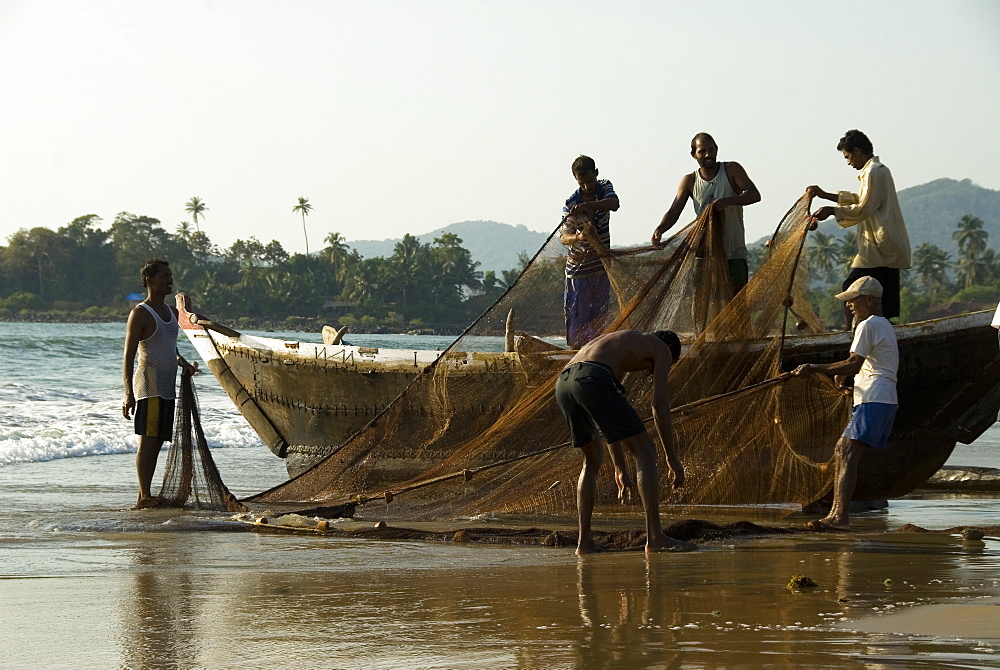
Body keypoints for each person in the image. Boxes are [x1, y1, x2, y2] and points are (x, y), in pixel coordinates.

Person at [554, 329, 692, 554]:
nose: (650, 372)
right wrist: (672, 458)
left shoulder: (620, 347)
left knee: (591, 460)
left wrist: (619, 468)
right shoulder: (663, 349)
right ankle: (655, 537)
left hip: (564, 382)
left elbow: (610, 424)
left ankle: (584, 542)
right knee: (646, 450)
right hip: (591, 378)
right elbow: (659, 405)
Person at [794, 276, 898, 530]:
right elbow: (867, 364)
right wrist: (846, 378)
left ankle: (839, 518)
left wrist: (815, 368)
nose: (849, 305)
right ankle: (836, 515)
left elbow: (854, 363)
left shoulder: (868, 324)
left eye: (854, 300)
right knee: (846, 452)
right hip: (880, 397)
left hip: (875, 397)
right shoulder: (882, 324)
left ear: (870, 300)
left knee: (845, 452)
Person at [806, 129, 911, 329]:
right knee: (882, 298)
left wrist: (833, 211)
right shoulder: (874, 171)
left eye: (848, 157)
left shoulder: (875, 171)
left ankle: (850, 332)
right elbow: (861, 200)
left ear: (857, 150)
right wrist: (826, 195)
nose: (848, 162)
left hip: (881, 245)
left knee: (852, 288)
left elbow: (865, 207)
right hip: (882, 244)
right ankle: (877, 332)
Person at [122, 258, 198, 509]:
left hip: (167, 385)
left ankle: (146, 494)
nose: (170, 280)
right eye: (164, 276)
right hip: (149, 383)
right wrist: (128, 393)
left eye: (170, 275)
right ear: (150, 280)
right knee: (148, 439)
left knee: (158, 440)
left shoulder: (171, 313)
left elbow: (169, 346)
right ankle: (144, 495)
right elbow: (129, 354)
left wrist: (183, 363)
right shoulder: (141, 313)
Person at [650, 133, 761, 295]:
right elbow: (674, 211)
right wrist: (660, 229)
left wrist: (728, 201)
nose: (708, 154)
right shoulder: (690, 181)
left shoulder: (731, 170)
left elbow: (754, 195)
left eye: (711, 150)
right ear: (693, 155)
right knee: (702, 305)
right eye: (702, 151)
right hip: (704, 255)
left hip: (733, 253)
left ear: (717, 150)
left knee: (737, 306)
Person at [560, 155, 619, 348]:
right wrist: (579, 237)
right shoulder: (571, 204)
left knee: (600, 318)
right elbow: (563, 237)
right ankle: (577, 356)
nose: (586, 187)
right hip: (579, 270)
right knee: (578, 317)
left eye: (589, 181)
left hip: (602, 266)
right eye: (581, 183)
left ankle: (596, 356)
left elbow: (614, 204)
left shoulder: (604, 188)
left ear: (596, 173)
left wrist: (588, 206)